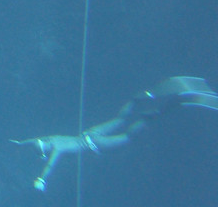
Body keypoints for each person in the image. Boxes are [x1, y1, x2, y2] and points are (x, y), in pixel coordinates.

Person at [11, 76, 218, 191]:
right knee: (120, 119)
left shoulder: (57, 147)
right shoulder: (52, 138)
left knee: (129, 136)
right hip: (90, 133)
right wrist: (21, 143)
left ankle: (157, 112)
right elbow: (34, 142)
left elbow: (50, 164)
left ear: (45, 148)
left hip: (94, 145)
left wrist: (42, 179)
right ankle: (140, 98)